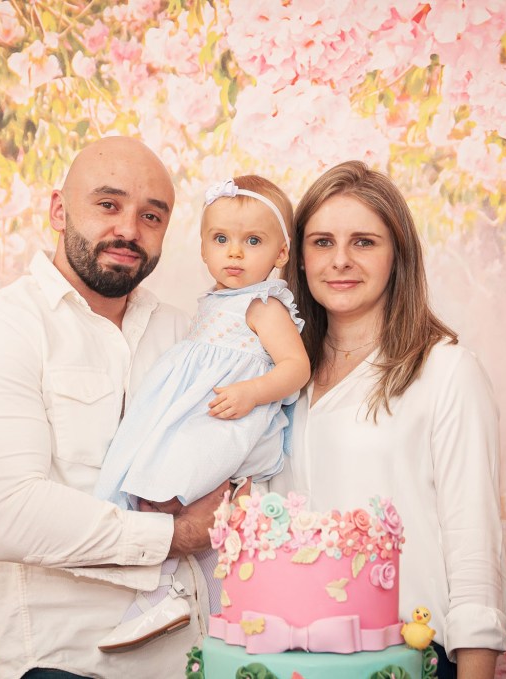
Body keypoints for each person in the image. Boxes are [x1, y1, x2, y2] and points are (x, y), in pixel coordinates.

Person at [0, 136, 230, 679]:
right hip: (70, 665)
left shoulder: (186, 333)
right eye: (108, 204)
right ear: (59, 210)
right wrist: (179, 535)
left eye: (151, 216)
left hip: (204, 661)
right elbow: (7, 516)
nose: (129, 230)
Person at [273, 160, 506, 679]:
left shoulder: (447, 371)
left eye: (364, 242)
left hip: (410, 657)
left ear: (398, 255)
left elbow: (474, 546)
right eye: (322, 242)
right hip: (289, 660)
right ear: (299, 259)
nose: (340, 260)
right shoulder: (276, 379)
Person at [92, 176, 310, 652]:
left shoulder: (263, 305)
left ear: (281, 253)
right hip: (204, 419)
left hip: (231, 422)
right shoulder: (215, 301)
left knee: (165, 495)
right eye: (221, 238)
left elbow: (296, 367)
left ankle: (162, 598)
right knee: (188, 514)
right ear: (203, 248)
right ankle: (212, 611)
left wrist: (253, 391)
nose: (235, 252)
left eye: (253, 241)